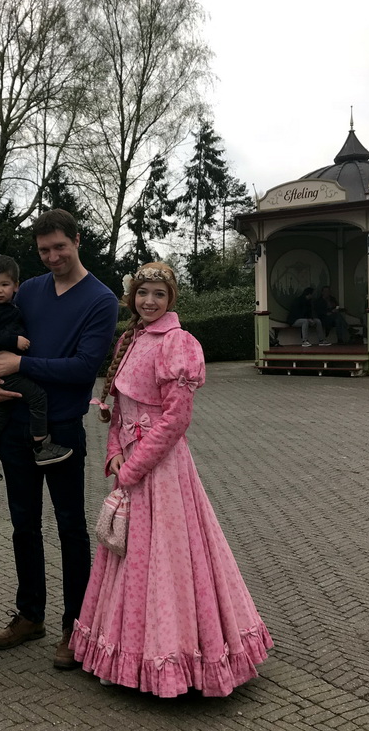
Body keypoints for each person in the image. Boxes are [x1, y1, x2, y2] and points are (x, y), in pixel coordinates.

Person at [71, 263, 273, 697]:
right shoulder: (131, 339)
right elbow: (122, 410)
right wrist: (114, 452)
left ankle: (177, 658)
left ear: (171, 299)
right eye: (142, 292)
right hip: (131, 465)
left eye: (158, 294)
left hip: (160, 471)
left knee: (165, 558)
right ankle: (126, 654)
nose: (149, 301)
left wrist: (133, 466)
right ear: (131, 296)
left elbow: (176, 419)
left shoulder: (177, 344)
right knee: (128, 556)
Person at [0, 209, 118, 669]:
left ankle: (75, 626)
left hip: (60, 429)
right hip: (16, 425)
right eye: (44, 251)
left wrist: (21, 366)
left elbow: (83, 368)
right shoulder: (31, 289)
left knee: (69, 527)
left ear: (78, 240)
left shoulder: (101, 300)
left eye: (60, 247)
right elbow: (2, 340)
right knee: (23, 524)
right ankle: (30, 615)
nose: (53, 257)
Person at [0, 253, 73, 480]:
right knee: (37, 397)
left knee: (3, 409)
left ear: (15, 286)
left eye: (4, 285)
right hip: (7, 368)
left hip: (10, 368)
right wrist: (13, 340)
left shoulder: (7, 307)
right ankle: (40, 447)